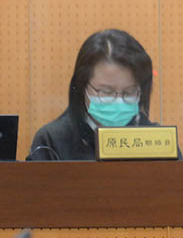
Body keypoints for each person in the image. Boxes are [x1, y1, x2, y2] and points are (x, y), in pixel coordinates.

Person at [27, 29, 160, 161]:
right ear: (82, 86)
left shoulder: (157, 140)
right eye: (106, 92)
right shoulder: (51, 140)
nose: (119, 101)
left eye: (129, 92)